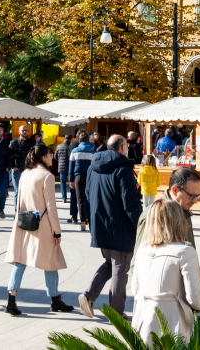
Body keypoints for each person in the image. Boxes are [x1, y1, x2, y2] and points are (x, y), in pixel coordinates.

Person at [3, 144, 74, 315]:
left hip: (23, 222)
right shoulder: (47, 176)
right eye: (50, 154)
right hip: (42, 225)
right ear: (43, 157)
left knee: (20, 261)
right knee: (51, 260)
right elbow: (51, 207)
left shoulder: (25, 173)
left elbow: (18, 200)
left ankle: (11, 300)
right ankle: (55, 299)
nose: (53, 158)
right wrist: (56, 231)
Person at [79, 134, 143, 317]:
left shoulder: (94, 166)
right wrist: (141, 227)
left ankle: (89, 295)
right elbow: (130, 203)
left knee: (111, 264)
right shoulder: (122, 168)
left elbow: (88, 194)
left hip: (101, 225)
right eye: (127, 146)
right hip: (120, 228)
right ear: (122, 147)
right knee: (120, 270)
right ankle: (116, 313)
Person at [131, 199, 200, 344]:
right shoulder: (185, 251)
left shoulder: (143, 250)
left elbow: (135, 289)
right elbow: (194, 297)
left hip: (142, 320)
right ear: (179, 220)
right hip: (173, 321)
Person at [131, 167, 200, 280]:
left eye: (198, 195)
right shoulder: (152, 215)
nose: (195, 201)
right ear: (174, 190)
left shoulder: (184, 210)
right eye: (192, 195)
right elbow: (137, 263)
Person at [68, 132, 96, 229]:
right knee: (90, 198)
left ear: (79, 140)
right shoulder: (93, 151)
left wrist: (71, 179)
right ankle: (90, 219)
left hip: (78, 177)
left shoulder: (75, 151)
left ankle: (83, 222)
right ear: (88, 139)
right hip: (90, 177)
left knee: (80, 199)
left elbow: (71, 167)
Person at [9, 125, 36, 205]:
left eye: (26, 130)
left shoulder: (31, 142)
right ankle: (16, 212)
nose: (25, 132)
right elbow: (8, 156)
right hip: (17, 170)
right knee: (18, 191)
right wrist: (12, 166)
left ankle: (27, 211)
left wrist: (33, 167)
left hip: (28, 170)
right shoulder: (13, 142)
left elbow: (34, 155)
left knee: (29, 191)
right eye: (23, 130)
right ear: (19, 132)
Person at [54, 134, 72, 203]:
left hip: (61, 167)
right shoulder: (71, 147)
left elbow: (55, 157)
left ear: (64, 138)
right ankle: (72, 197)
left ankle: (64, 198)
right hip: (70, 166)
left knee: (63, 183)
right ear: (70, 139)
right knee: (71, 182)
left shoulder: (59, 146)